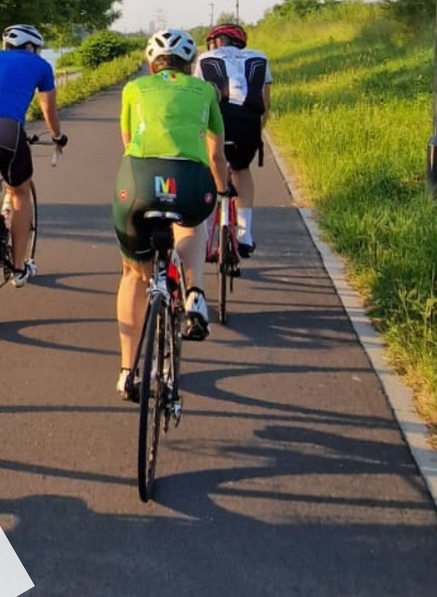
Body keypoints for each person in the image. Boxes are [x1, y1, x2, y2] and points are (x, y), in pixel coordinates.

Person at [115, 28, 230, 401]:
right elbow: (215, 154)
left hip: (139, 182)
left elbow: (129, 142)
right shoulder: (206, 91)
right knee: (191, 222)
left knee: (134, 272)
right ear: (191, 63)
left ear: (152, 64)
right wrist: (224, 188)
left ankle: (128, 371)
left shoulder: (134, 89)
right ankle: (195, 294)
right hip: (191, 180)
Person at [0, 24, 66, 288]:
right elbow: (47, 108)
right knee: (19, 192)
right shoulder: (40, 65)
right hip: (5, 129)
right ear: (31, 47)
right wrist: (57, 136)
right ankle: (18, 269)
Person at [195, 23, 272, 257]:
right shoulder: (260, 58)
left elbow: (199, 100)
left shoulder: (204, 59)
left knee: (210, 166)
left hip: (219, 119)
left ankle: (203, 237)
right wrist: (257, 132)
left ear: (215, 42)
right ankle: (245, 235)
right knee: (241, 170)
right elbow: (265, 105)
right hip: (249, 123)